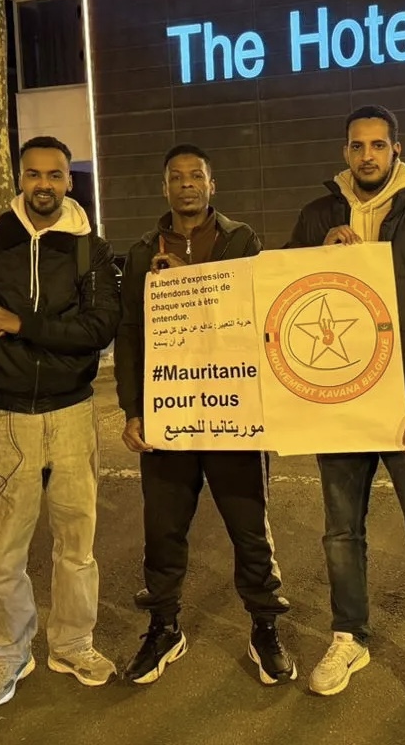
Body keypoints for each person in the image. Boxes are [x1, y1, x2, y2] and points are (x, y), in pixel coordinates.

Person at [0, 136, 122, 706]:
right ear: (20, 179)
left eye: (54, 175)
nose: (44, 185)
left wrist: (22, 324)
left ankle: (74, 643)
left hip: (73, 413)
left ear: (69, 182)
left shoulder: (90, 249)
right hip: (5, 417)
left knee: (77, 545)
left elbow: (99, 329)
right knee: (5, 552)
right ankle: (10, 652)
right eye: (34, 174)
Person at [286, 105, 405, 713]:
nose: (367, 155)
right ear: (345, 152)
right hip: (338, 406)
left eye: (378, 145)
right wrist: (317, 254)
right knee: (341, 533)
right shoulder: (316, 216)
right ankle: (349, 637)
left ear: (396, 149)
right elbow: (282, 295)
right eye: (357, 145)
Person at [114, 144, 295, 686]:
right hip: (168, 415)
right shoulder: (141, 253)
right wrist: (133, 410)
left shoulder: (243, 241)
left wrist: (187, 279)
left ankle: (264, 627)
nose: (187, 184)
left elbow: (255, 314)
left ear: (212, 185)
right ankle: (164, 627)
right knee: (163, 531)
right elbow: (129, 335)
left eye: (196, 176)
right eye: (177, 177)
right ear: (164, 188)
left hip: (231, 413)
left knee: (249, 530)